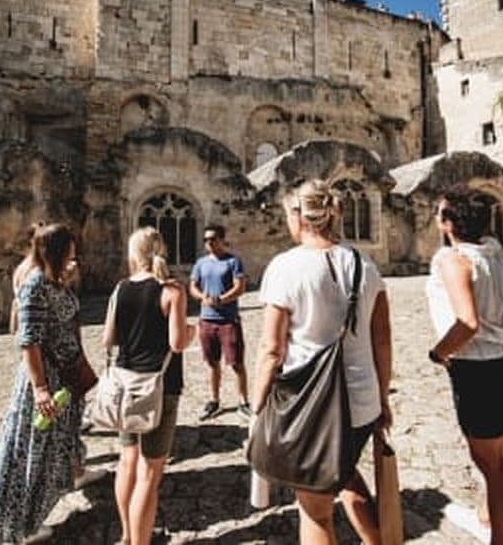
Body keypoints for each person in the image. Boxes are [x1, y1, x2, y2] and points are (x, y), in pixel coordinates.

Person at [252, 179, 393, 545]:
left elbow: (271, 348)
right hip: (361, 402)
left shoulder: (285, 267)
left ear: (299, 217)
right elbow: (382, 341)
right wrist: (383, 400)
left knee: (315, 511)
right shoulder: (367, 266)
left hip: (309, 408)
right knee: (345, 473)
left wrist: (256, 405)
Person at [0, 224, 91, 543]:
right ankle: (10, 530)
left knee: (51, 454)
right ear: (55, 249)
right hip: (46, 383)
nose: (74, 250)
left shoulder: (55, 280)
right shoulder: (35, 284)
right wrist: (40, 388)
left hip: (65, 377)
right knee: (27, 453)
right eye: (69, 246)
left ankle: (31, 519)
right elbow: (29, 341)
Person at [426, 184, 503, 545]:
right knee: (498, 448)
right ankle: (489, 517)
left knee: (491, 465)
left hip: (478, 367)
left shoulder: (453, 260)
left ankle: (502, 538)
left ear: (450, 223)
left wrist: (439, 352)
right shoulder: (496, 252)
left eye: (440, 212)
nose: (436, 217)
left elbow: (467, 322)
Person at [109, 227, 194, 545]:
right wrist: (192, 333)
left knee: (126, 460)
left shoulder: (120, 289)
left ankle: (128, 535)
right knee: (149, 472)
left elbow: (109, 339)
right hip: (160, 386)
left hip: (126, 383)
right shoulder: (172, 291)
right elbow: (177, 342)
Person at [189, 224, 251, 420]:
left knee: (237, 363)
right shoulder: (201, 263)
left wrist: (221, 300)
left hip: (228, 320)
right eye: (206, 240)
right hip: (206, 320)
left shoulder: (233, 261)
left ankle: (243, 401)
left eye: (212, 239)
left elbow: (240, 287)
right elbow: (193, 286)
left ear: (222, 239)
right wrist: (203, 297)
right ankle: (214, 400)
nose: (209, 242)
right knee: (212, 363)